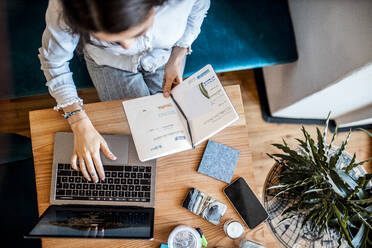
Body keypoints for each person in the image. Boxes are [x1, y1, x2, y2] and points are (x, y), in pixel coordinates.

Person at [39, 0, 210, 183]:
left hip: (165, 55)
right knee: (140, 142)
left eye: (138, 31)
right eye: (109, 40)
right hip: (109, 63)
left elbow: (199, 6)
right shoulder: (65, 7)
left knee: (175, 135)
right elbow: (54, 63)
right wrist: (78, 122)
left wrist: (178, 54)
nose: (127, 46)